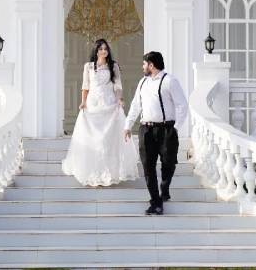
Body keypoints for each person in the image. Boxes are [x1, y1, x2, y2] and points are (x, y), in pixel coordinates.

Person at [61, 39, 140, 186]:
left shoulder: (113, 66)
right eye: (101, 49)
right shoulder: (88, 66)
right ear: (96, 51)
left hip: (109, 103)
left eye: (106, 49)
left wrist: (119, 99)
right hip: (92, 104)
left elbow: (118, 85)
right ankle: (93, 172)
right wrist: (83, 102)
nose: (104, 51)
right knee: (93, 139)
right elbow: (85, 86)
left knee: (108, 140)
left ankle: (109, 172)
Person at [123, 51, 188, 215]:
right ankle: (156, 202)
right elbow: (135, 105)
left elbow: (182, 105)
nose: (142, 67)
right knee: (147, 166)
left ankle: (164, 187)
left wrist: (176, 127)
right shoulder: (143, 82)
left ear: (151, 65)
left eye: (144, 64)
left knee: (169, 162)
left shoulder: (170, 81)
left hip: (166, 129)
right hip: (146, 129)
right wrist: (128, 125)